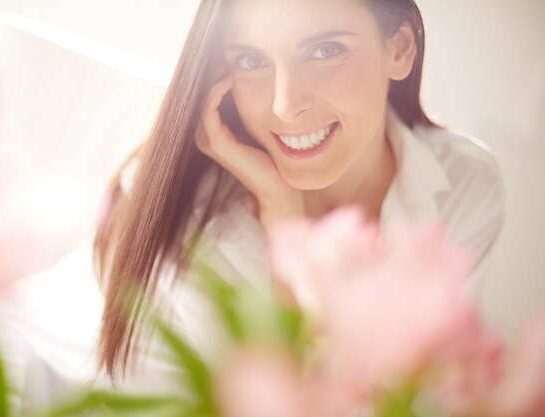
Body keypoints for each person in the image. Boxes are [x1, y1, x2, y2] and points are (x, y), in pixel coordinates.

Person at [95, 0, 504, 390]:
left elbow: (410, 394)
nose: (286, 105)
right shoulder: (191, 226)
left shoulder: (465, 185)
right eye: (252, 61)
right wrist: (284, 221)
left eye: (325, 51)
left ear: (399, 47)